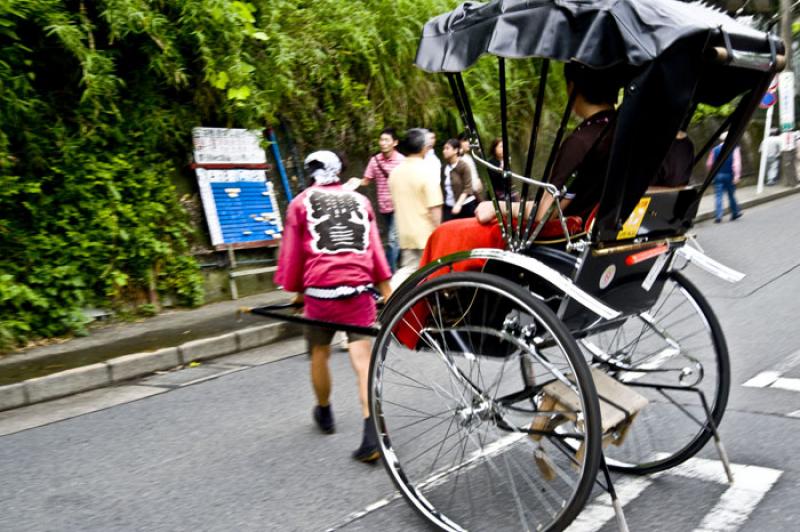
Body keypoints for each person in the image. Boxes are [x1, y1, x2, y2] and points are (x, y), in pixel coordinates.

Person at [275, 150, 392, 463]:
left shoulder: (300, 202)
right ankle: (371, 434)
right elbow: (375, 248)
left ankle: (324, 413)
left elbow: (294, 254)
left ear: (310, 171)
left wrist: (298, 294)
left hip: (320, 291)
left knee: (319, 352)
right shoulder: (360, 201)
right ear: (339, 170)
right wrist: (386, 287)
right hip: (358, 288)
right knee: (362, 358)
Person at [475, 62, 620, 226]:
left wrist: (499, 207)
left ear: (572, 88)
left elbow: (544, 213)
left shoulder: (581, 143)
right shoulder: (626, 132)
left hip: (573, 240)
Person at [389, 128, 443, 268]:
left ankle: (394, 288)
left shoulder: (395, 172)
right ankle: (391, 289)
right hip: (426, 236)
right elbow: (435, 208)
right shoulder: (427, 171)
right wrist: (440, 234)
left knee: (409, 273)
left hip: (405, 235)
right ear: (425, 148)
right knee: (430, 276)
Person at [359, 128, 404, 272]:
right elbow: (366, 180)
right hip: (384, 207)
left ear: (395, 143)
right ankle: (398, 264)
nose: (383, 143)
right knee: (396, 239)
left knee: (392, 239)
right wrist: (352, 183)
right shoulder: (375, 160)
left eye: (386, 140)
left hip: (399, 206)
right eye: (381, 140)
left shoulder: (401, 160)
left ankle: (389, 272)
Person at [706, 132, 743, 223]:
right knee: (731, 195)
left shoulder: (714, 150)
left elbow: (709, 164)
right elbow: (736, 164)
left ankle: (719, 216)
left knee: (718, 196)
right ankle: (735, 213)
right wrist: (737, 176)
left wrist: (712, 173)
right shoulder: (734, 149)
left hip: (718, 175)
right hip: (729, 175)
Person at [441, 138, 477, 220]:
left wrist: (458, 204)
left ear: (455, 150)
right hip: (449, 206)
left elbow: (468, 188)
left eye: (447, 148)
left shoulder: (463, 166)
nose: (444, 151)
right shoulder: (444, 168)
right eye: (443, 149)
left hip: (465, 205)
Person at [458, 132, 483, 200]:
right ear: (459, 142)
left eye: (469, 141)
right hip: (470, 195)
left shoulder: (468, 156)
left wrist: (478, 180)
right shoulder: (459, 159)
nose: (469, 143)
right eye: (465, 141)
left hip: (476, 193)